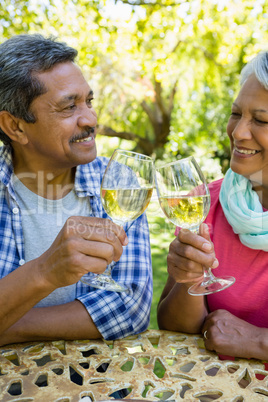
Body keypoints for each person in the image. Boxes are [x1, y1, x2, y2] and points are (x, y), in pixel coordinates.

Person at [0, 34, 152, 346]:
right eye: (70, 107)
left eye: (89, 101)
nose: (91, 119)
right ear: (15, 126)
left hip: (99, 387)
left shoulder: (119, 181)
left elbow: (130, 308)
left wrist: (8, 324)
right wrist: (43, 272)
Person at [157, 51, 268, 362]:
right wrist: (187, 279)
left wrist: (259, 341)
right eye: (236, 114)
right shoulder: (206, 202)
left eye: (260, 120)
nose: (237, 132)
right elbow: (173, 328)